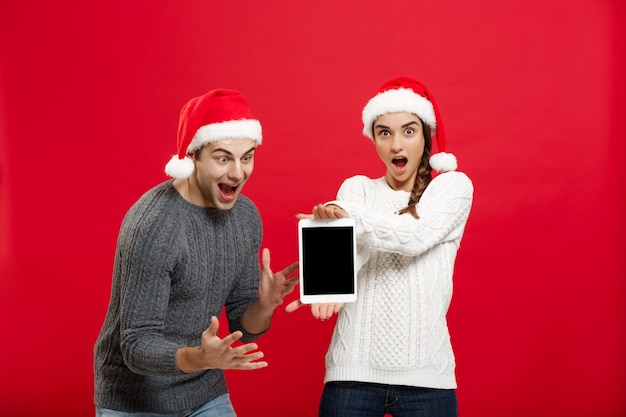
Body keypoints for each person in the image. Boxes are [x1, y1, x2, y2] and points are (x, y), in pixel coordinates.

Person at [94, 88, 299, 417]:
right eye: (223, 158)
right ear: (192, 157)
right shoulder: (155, 225)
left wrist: (263, 306)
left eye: (246, 157)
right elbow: (136, 345)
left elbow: (242, 326)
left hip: (204, 389)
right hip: (135, 399)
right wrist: (200, 358)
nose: (237, 172)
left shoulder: (245, 217)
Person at [287, 76, 473, 417]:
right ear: (373, 138)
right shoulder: (356, 189)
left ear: (426, 135)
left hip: (427, 379)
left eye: (408, 131)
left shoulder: (452, 188)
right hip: (353, 374)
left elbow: (413, 236)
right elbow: (353, 256)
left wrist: (350, 217)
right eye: (384, 132)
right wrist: (327, 279)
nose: (396, 145)